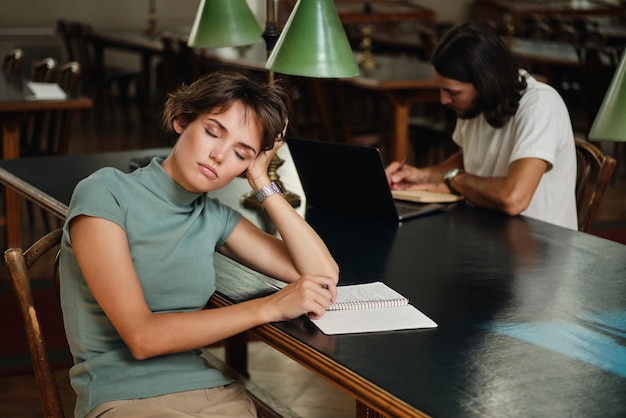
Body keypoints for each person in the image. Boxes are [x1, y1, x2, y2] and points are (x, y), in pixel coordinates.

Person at [59, 70, 339, 418]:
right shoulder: (106, 193)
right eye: (212, 132)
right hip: (121, 398)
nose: (219, 156)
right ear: (181, 120)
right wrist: (271, 306)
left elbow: (323, 274)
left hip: (209, 392)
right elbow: (143, 338)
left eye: (241, 153)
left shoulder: (214, 217)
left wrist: (262, 181)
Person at [385, 22, 578, 230]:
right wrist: (421, 174)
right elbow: (468, 159)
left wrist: (455, 181)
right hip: (489, 230)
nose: (443, 100)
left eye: (453, 92)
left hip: (543, 246)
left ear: (485, 82)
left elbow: (513, 198)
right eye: (441, 90)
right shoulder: (476, 102)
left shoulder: (540, 105)